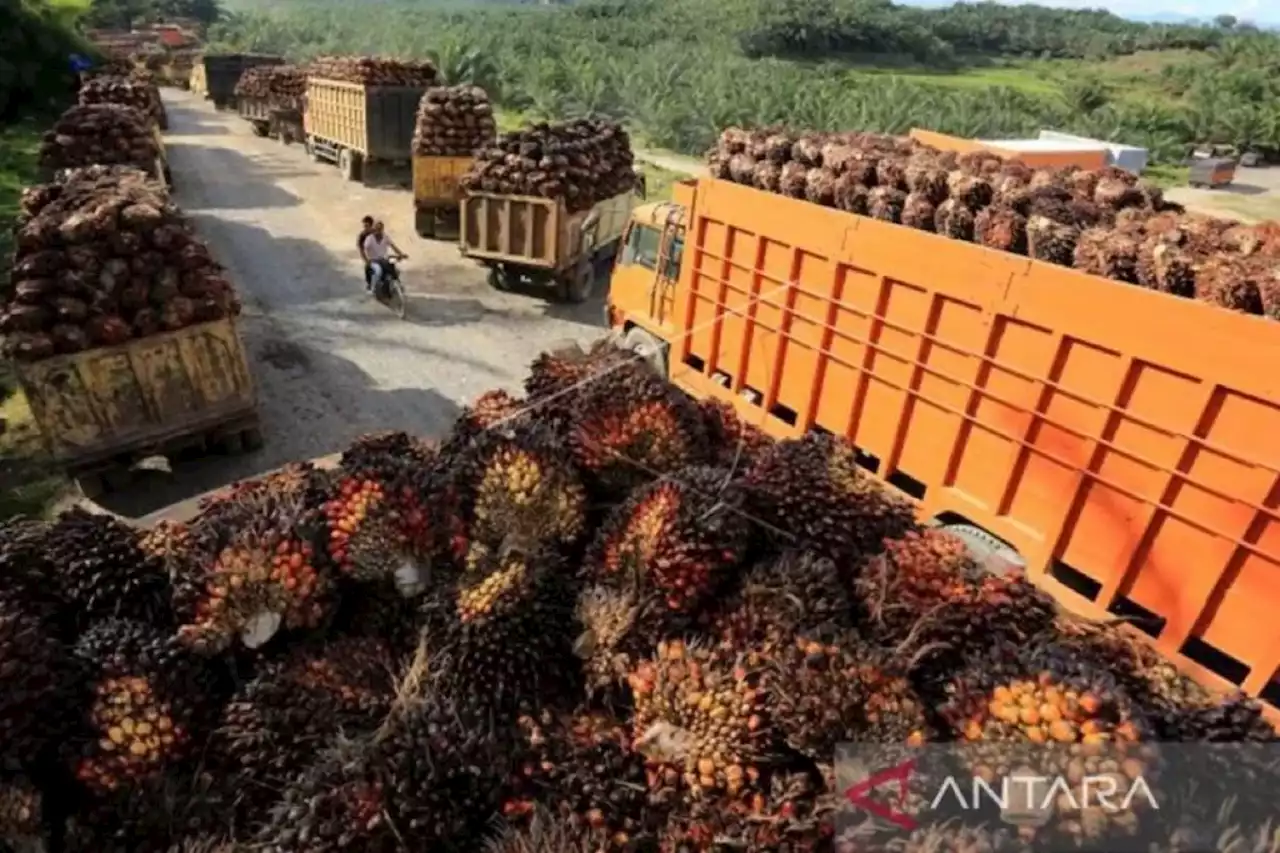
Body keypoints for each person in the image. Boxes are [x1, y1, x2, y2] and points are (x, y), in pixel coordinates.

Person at [362, 221, 406, 295]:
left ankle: (395, 285)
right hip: (374, 261)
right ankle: (372, 288)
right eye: (377, 229)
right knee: (378, 271)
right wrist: (367, 260)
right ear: (374, 229)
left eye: (380, 229)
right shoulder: (369, 239)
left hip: (384, 260)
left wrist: (400, 254)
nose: (378, 231)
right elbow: (364, 250)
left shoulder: (385, 237)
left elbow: (393, 246)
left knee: (395, 269)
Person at [357, 215, 375, 288]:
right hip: (369, 256)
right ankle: (369, 284)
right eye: (364, 226)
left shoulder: (376, 233)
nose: (365, 228)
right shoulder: (362, 236)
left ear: (371, 225)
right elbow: (361, 250)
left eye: (367, 226)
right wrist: (366, 260)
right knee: (367, 268)